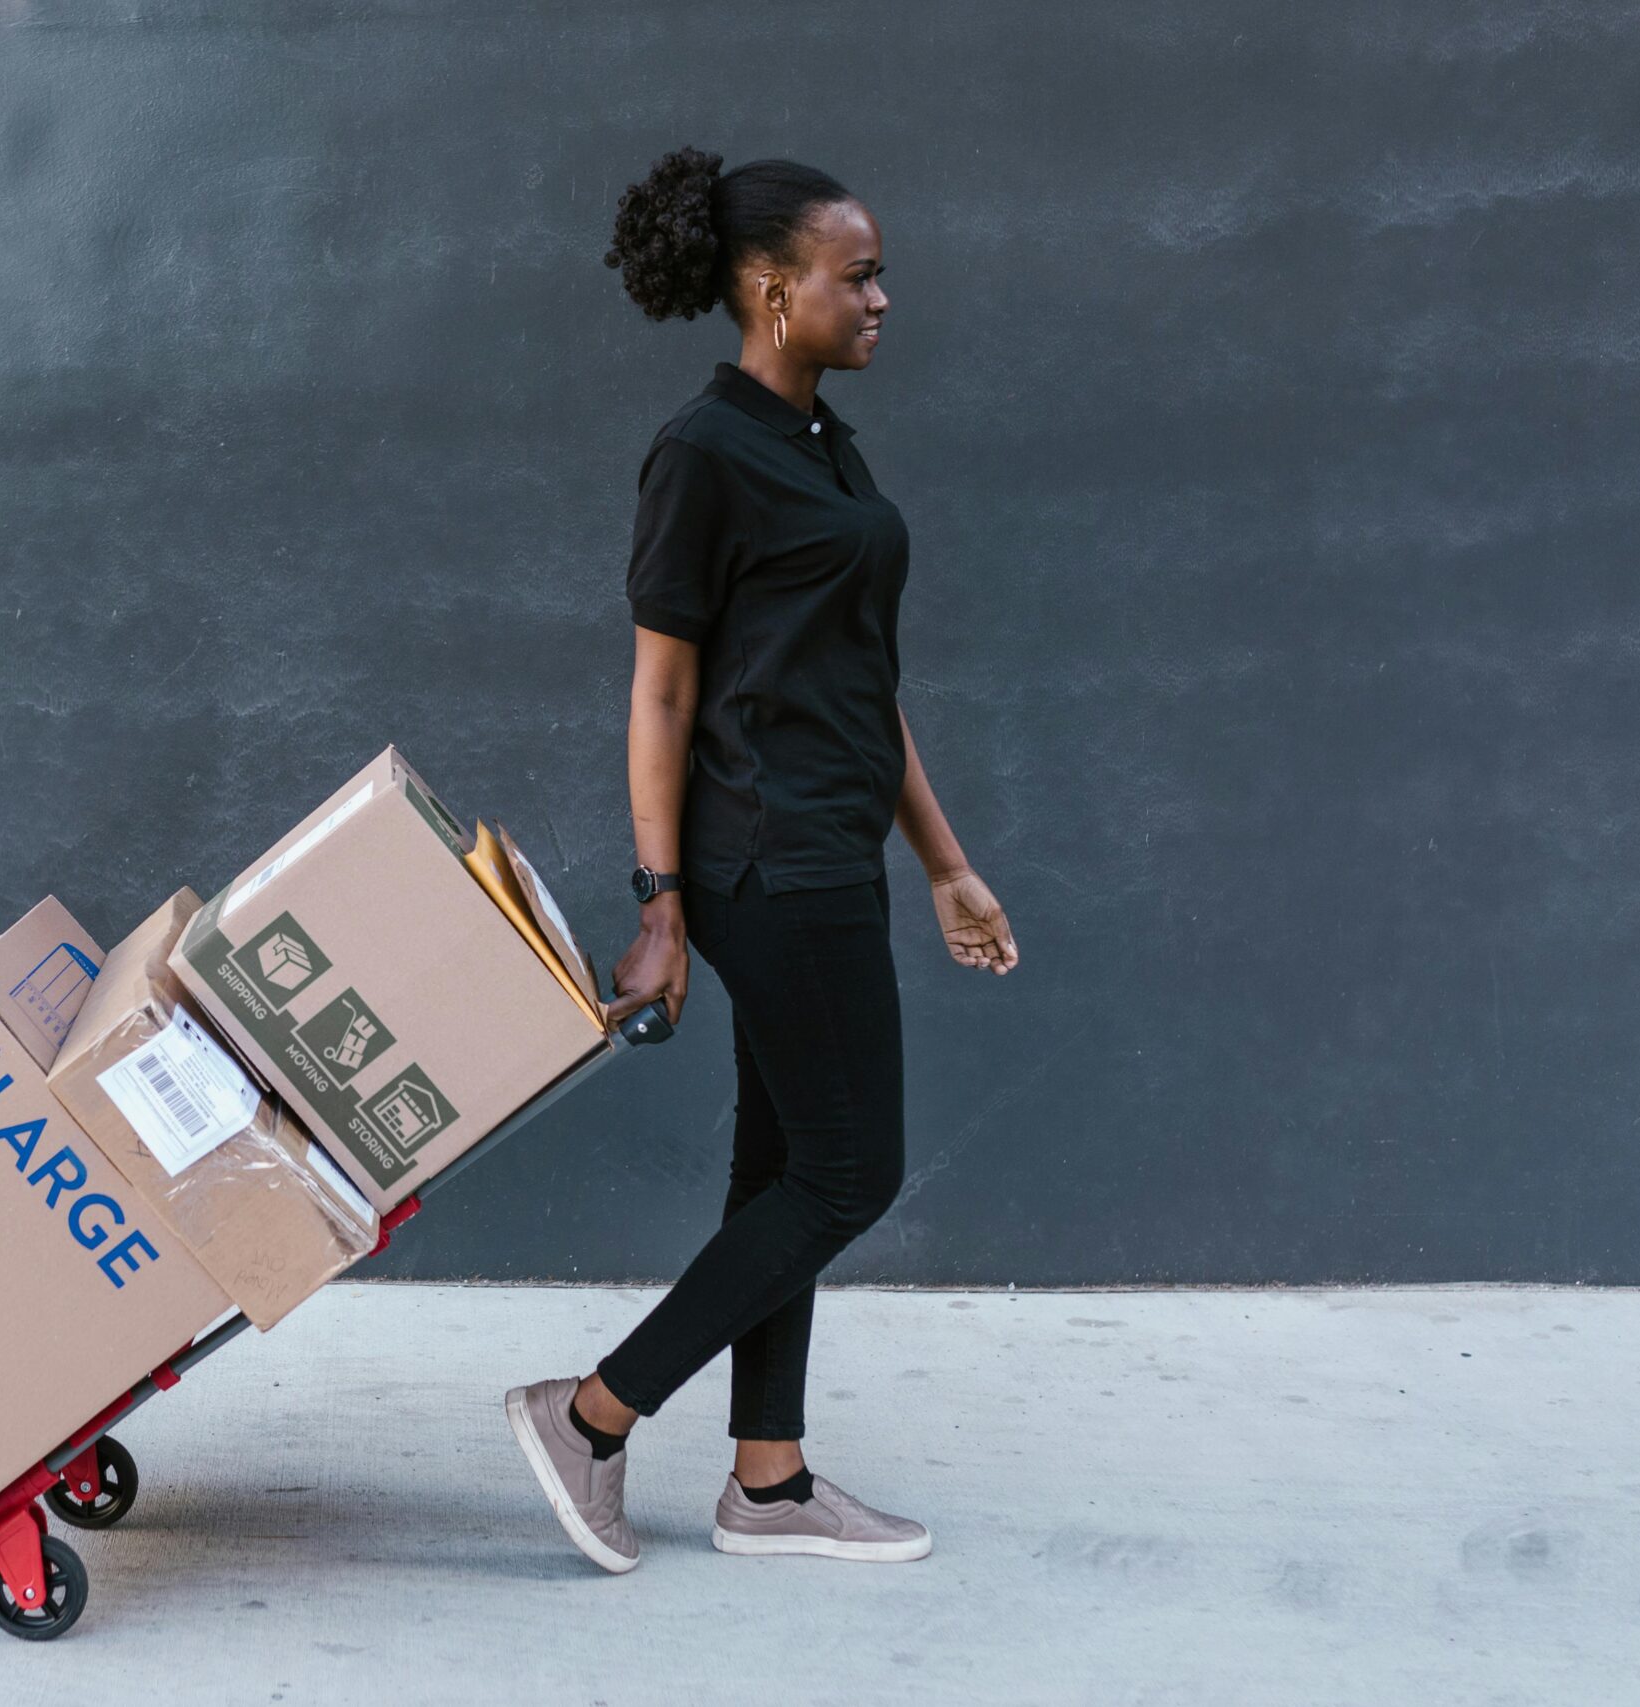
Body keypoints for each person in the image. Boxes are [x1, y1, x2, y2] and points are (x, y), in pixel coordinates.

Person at [504, 148, 1019, 1574]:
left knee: (786, 1160)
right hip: (762, 862)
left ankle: (769, 1481)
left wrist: (945, 863)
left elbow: (864, 681)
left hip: (835, 851)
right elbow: (661, 694)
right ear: (771, 289)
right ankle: (592, 1418)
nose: (882, 299)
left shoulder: (820, 444)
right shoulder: (704, 452)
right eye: (857, 276)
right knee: (852, 1171)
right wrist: (659, 905)